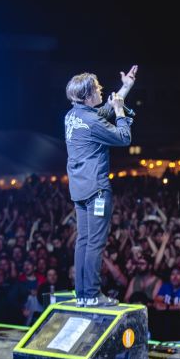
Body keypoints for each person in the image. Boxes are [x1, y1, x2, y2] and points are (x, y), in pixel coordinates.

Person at [65, 65, 138, 307]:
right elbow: (123, 137)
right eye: (97, 89)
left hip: (79, 189)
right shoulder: (92, 121)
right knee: (95, 242)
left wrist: (125, 88)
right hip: (96, 188)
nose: (100, 91)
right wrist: (119, 112)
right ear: (87, 96)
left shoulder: (72, 116)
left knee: (83, 241)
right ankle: (94, 295)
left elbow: (97, 117)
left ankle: (83, 295)